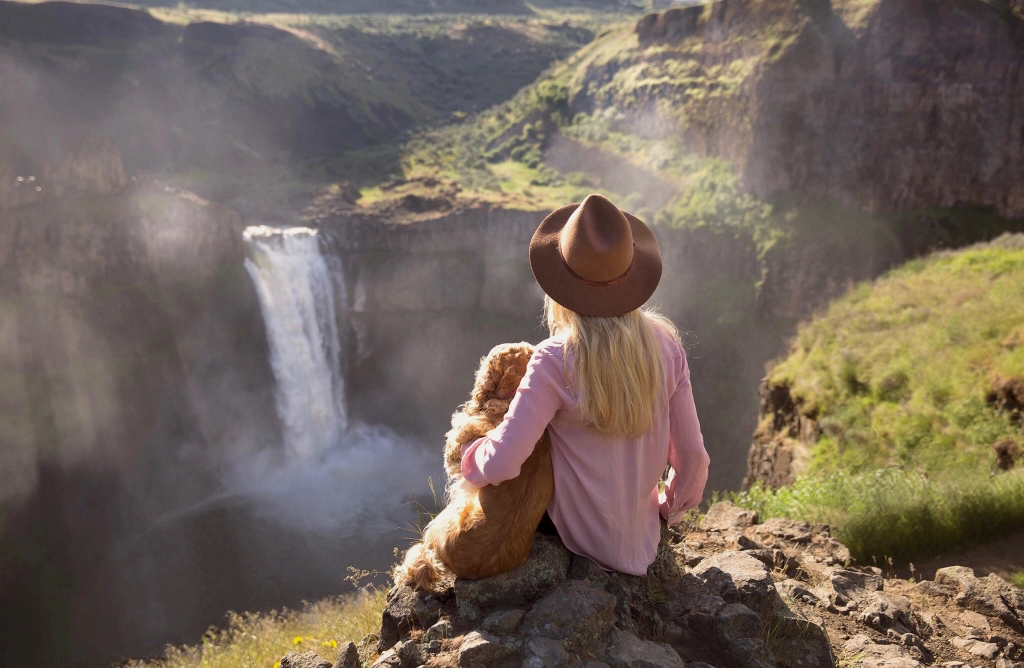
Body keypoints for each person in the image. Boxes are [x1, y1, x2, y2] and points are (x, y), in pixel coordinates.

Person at [460, 193, 710, 576]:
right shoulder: (667, 345)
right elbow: (693, 459)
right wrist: (667, 506)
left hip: (578, 542)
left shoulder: (554, 359)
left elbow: (505, 463)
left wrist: (470, 456)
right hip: (643, 543)